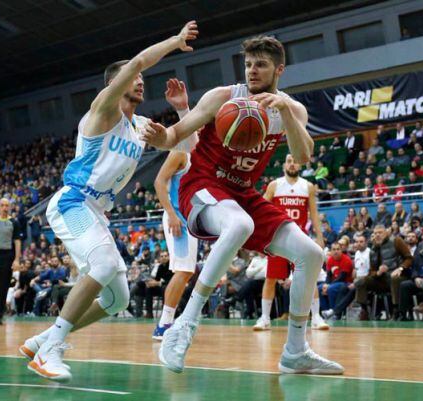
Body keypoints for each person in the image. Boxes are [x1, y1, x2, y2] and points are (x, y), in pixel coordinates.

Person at [142, 35, 343, 374]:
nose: (252, 71)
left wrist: (284, 112)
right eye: (248, 64)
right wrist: (158, 136)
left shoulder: (291, 110)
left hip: (242, 193)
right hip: (202, 185)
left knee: (311, 254)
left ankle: (295, 350)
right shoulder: (222, 97)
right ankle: (184, 324)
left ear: (279, 69)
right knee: (239, 224)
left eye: (261, 65)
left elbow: (304, 154)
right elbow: (175, 136)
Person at [19, 21, 200, 381]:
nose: (140, 81)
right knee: (101, 266)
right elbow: (136, 64)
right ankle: (50, 351)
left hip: (98, 212)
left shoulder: (141, 126)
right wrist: (175, 41)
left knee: (118, 300)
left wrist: (182, 111)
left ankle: (44, 339)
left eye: (141, 80)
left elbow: (188, 148)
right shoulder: (103, 111)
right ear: (114, 84)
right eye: (133, 78)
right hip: (73, 201)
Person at [253, 154, 328, 331]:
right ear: (284, 165)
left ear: (300, 165)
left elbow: (314, 214)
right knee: (271, 278)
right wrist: (259, 237)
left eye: (295, 161)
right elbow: (260, 210)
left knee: (309, 278)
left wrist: (319, 237)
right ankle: (264, 318)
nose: (292, 164)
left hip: (300, 239)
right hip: (278, 238)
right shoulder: (275, 185)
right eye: (289, 161)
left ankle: (316, 317)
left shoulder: (307, 186)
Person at [152, 79, 199, 340]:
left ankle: (175, 319)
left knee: (188, 271)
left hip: (191, 219)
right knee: (183, 270)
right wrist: (171, 214)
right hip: (177, 217)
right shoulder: (181, 151)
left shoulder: (202, 153)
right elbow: (159, 181)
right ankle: (164, 324)